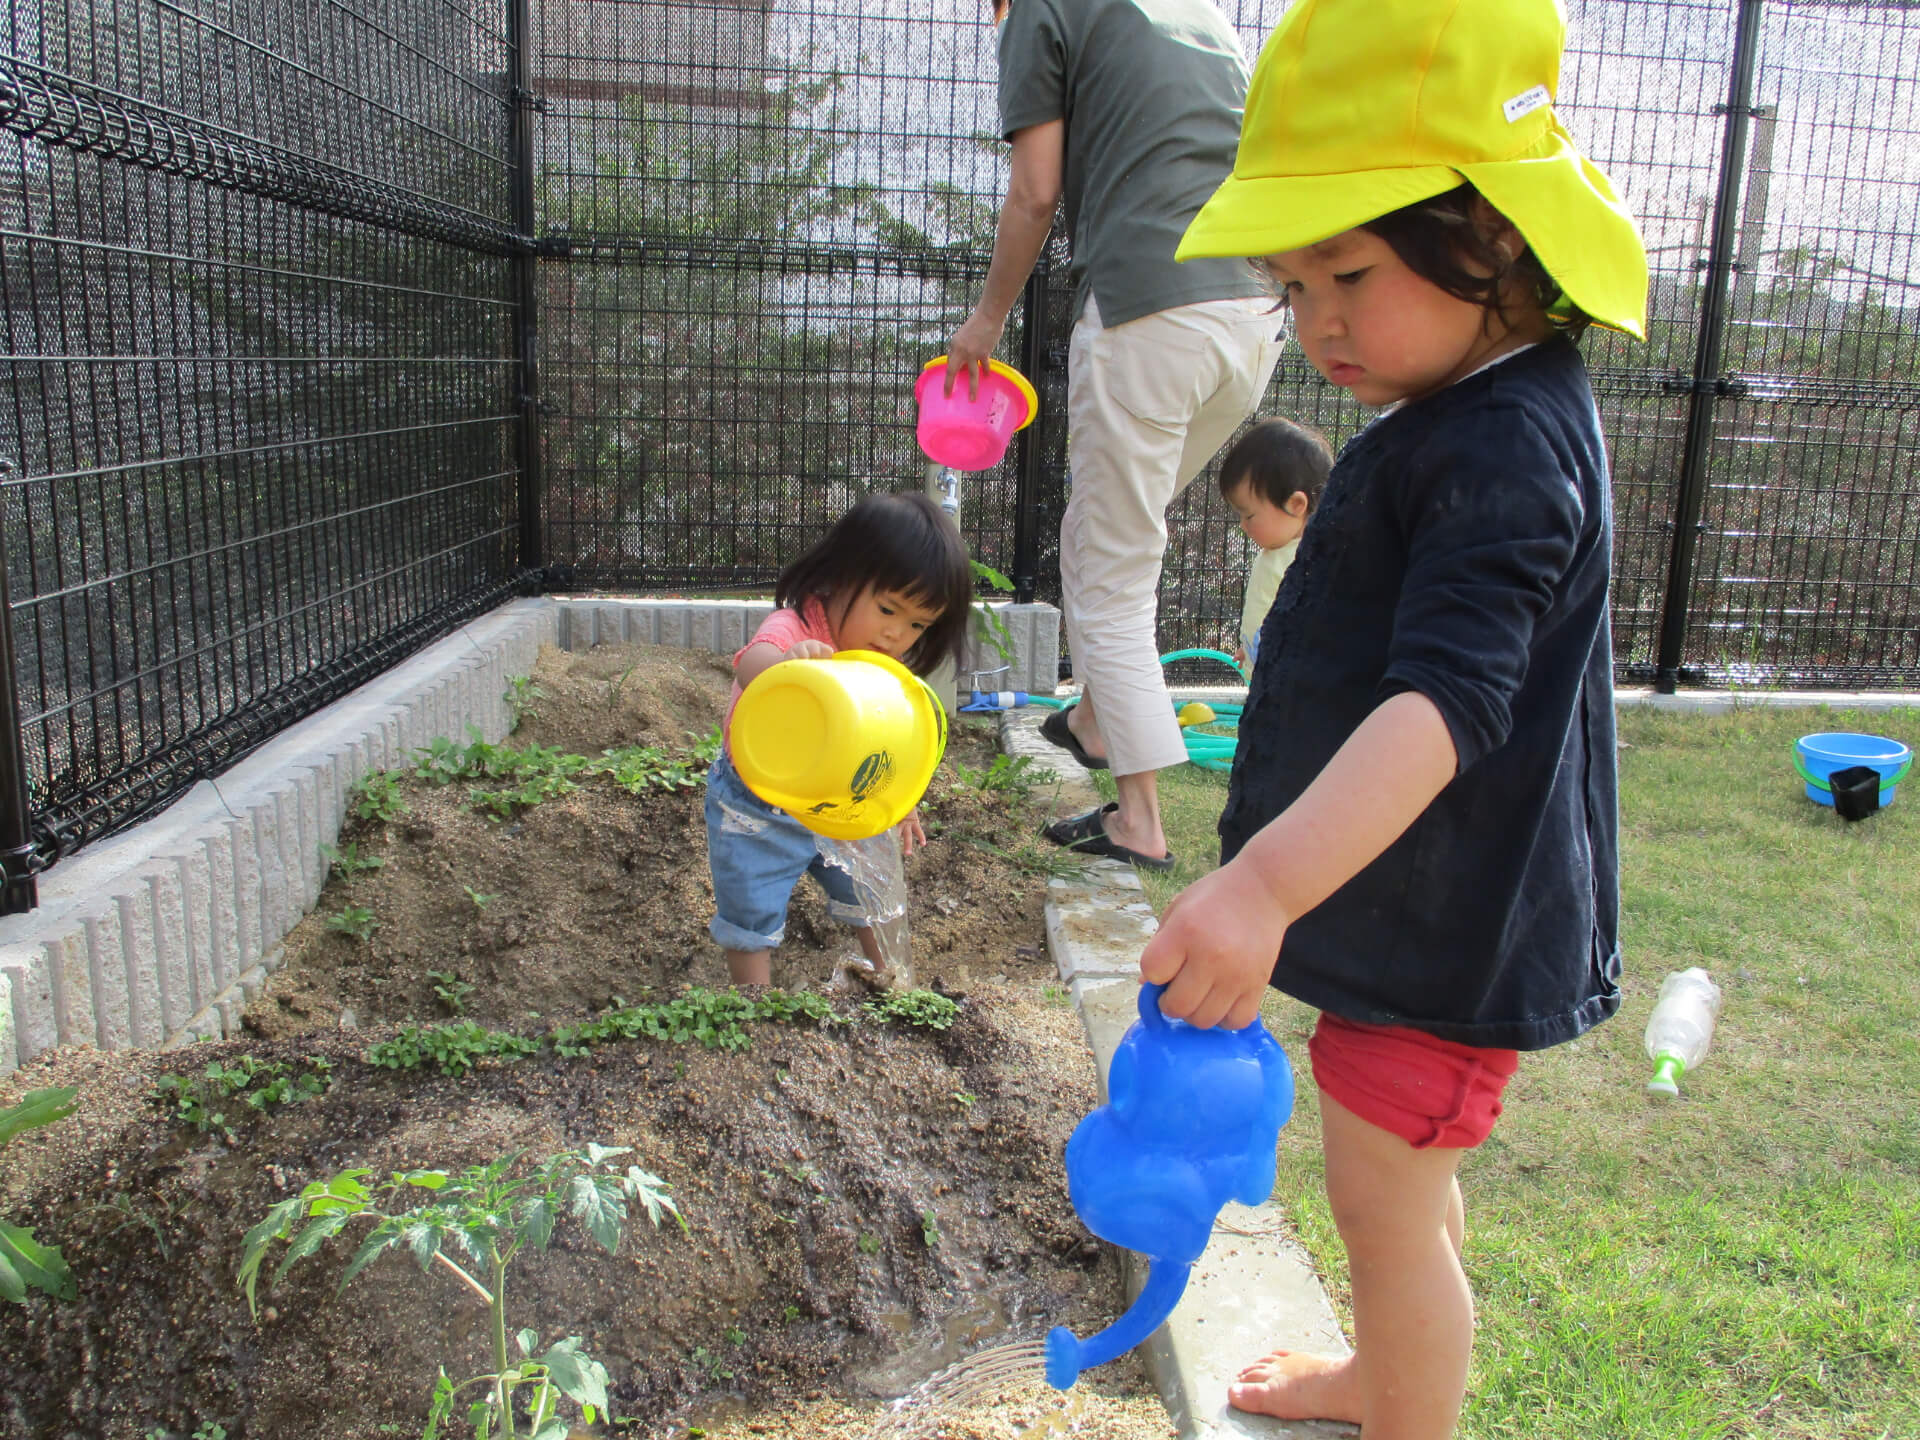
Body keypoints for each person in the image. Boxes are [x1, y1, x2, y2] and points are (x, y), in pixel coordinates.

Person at [1141, 0, 1649, 1434]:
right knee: (1403, 1192)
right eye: (1294, 287)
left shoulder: (1507, 451)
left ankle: (1409, 1412)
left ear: (1491, 237)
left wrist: (1262, 884)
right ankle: (1388, 1373)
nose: (1320, 322)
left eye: (1350, 271)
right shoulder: (1472, 403)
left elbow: (1444, 704)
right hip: (1424, 913)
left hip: (1459, 923)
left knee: (1383, 1200)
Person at [946, 0, 1285, 872]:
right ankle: (1097, 718)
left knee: (1113, 565)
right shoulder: (1198, 12)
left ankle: (1139, 818)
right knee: (1094, 535)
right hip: (1252, 317)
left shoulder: (1040, 8)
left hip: (1150, 312)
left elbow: (1037, 189)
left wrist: (986, 323)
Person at [707, 492, 972, 988]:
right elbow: (749, 665)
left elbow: (892, 738)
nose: (897, 634)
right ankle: (753, 1000)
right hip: (758, 805)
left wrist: (902, 801)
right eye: (888, 609)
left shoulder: (880, 661)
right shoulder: (795, 629)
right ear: (841, 577)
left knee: (871, 893)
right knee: (749, 903)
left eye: (917, 624)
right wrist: (791, 668)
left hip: (847, 795)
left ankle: (891, 978)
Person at [1216, 419, 1333, 672]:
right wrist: (1248, 648)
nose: (1243, 526)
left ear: (1296, 505)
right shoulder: (1278, 553)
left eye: (1249, 515)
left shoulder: (1307, 560)